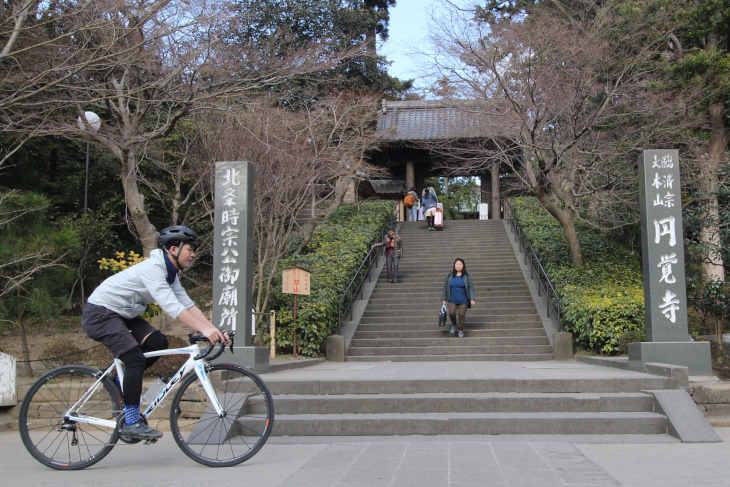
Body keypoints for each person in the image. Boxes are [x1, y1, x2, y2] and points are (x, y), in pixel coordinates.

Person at [81, 226, 229, 440]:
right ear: (173, 249)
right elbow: (172, 307)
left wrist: (212, 328)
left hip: (123, 314)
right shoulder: (154, 269)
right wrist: (203, 329)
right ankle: (131, 422)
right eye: (190, 249)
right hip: (101, 314)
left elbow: (186, 303)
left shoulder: (170, 273)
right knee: (134, 361)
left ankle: (119, 382)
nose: (194, 254)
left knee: (158, 342)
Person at [441, 258, 476, 338]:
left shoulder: (467, 276)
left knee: (461, 314)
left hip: (463, 300)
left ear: (463, 266)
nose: (459, 265)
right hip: (452, 299)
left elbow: (471, 287)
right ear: (454, 265)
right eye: (457, 264)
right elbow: (445, 287)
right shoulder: (449, 276)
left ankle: (460, 330)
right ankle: (454, 324)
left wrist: (472, 298)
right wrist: (444, 298)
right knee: (451, 313)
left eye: (460, 264)